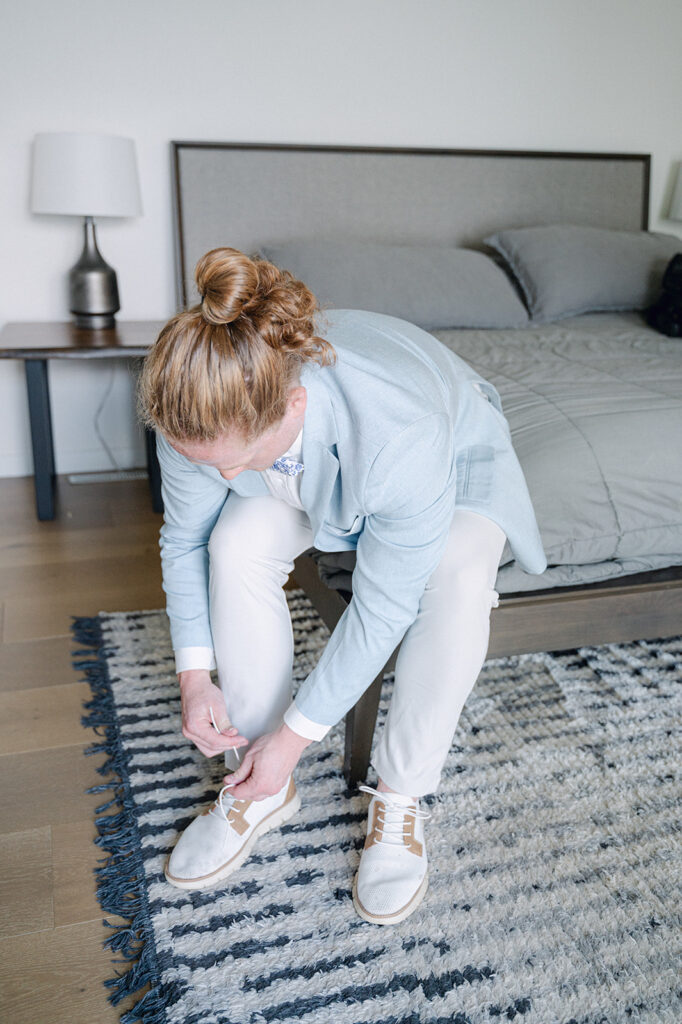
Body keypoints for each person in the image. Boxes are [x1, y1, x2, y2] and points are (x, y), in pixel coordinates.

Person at [138, 246, 547, 926]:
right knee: (232, 538)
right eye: (208, 466)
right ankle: (259, 782)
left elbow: (382, 608)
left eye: (233, 464)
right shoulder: (191, 402)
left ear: (290, 408)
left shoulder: (401, 435)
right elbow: (184, 538)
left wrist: (302, 733)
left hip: (447, 449)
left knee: (460, 577)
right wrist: (194, 674)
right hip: (302, 454)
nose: (224, 480)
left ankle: (401, 796)